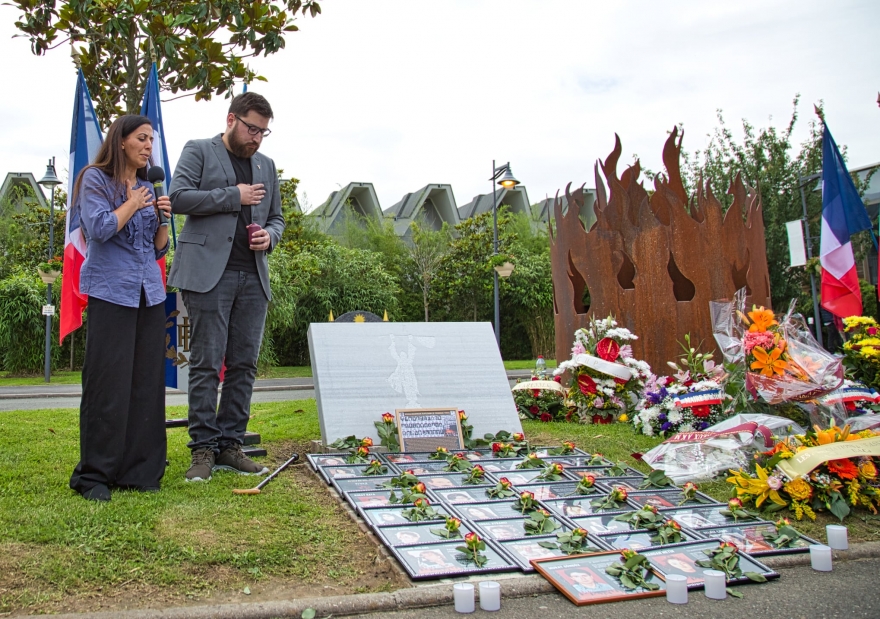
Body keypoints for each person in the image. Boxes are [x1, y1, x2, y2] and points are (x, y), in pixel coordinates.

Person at [169, 92, 285, 481]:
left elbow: (277, 218)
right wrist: (233, 196)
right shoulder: (199, 150)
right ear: (231, 119)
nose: (257, 138)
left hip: (253, 276)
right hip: (207, 275)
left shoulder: (267, 166)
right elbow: (178, 197)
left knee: (244, 365)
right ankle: (202, 449)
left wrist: (270, 236)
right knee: (206, 363)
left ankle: (230, 446)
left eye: (264, 132)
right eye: (252, 129)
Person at [68, 115, 171, 502]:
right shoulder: (94, 179)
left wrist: (163, 219)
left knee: (146, 383)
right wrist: (132, 203)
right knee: (107, 383)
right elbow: (98, 229)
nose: (148, 146)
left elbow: (157, 248)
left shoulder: (147, 186)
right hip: (111, 292)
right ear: (121, 141)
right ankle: (95, 474)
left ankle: (140, 471)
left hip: (149, 294)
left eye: (151, 140)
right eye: (141, 138)